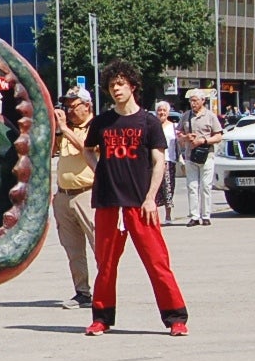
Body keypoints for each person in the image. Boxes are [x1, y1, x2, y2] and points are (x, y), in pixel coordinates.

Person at [82, 62, 189, 337]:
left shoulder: (148, 122)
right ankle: (101, 318)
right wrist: (100, 171)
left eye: (120, 84)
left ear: (132, 86)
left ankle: (176, 318)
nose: (116, 89)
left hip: (140, 204)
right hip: (108, 202)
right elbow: (88, 150)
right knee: (105, 264)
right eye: (111, 85)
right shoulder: (103, 122)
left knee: (157, 262)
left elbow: (159, 161)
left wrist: (151, 198)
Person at [51, 88, 96, 309]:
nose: (69, 110)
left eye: (73, 105)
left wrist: (65, 129)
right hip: (64, 195)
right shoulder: (66, 130)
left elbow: (86, 147)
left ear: (87, 106)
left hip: (87, 194)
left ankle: (106, 291)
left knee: (100, 246)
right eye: (66, 106)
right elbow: (51, 152)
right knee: (73, 249)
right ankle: (82, 292)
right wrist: (57, 132)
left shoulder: (95, 127)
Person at [178, 89, 223, 226]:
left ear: (203, 101)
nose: (193, 103)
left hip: (206, 155)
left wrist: (203, 141)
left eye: (195, 100)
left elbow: (218, 136)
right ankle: (194, 216)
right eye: (191, 101)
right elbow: (178, 133)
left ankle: (206, 215)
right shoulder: (186, 116)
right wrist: (186, 137)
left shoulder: (210, 116)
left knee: (205, 186)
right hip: (190, 155)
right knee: (192, 186)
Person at [153, 100, 178, 224]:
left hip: (169, 160)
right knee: (154, 188)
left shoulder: (174, 127)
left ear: (168, 112)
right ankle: (154, 216)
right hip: (154, 161)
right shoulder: (152, 126)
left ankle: (168, 216)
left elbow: (179, 143)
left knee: (168, 188)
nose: (161, 112)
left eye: (164, 110)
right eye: (159, 110)